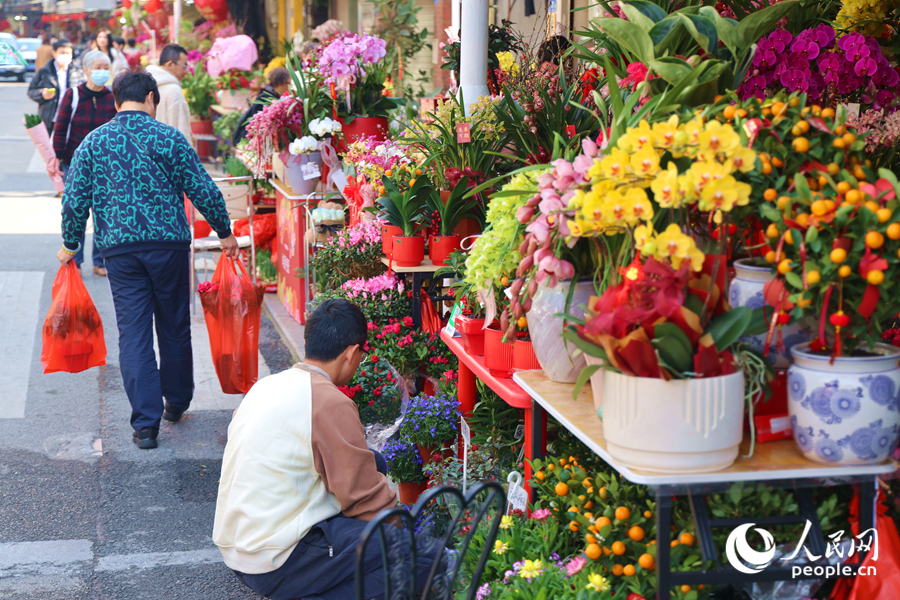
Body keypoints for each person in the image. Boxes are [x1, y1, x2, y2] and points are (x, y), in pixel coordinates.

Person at [213, 299, 442, 600]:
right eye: (361, 355)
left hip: (238, 547)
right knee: (425, 561)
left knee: (373, 462)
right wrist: (402, 537)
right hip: (277, 558)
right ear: (351, 354)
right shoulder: (328, 401)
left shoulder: (266, 386)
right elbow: (365, 500)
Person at [57, 71, 238, 449]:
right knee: (173, 325)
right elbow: (202, 188)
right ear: (152, 98)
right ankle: (176, 402)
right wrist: (225, 233)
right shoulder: (169, 137)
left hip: (119, 251)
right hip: (168, 246)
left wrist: (70, 244)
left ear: (116, 100)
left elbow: (75, 201)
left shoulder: (94, 143)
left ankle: (145, 425)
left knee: (134, 332)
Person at [52, 50, 117, 276]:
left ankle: (100, 261)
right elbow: (60, 127)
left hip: (105, 166)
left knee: (103, 213)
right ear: (87, 70)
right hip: (75, 162)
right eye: (97, 67)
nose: (101, 72)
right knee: (76, 209)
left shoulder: (112, 97)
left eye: (105, 67)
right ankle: (75, 259)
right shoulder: (74, 95)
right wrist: (57, 158)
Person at [232, 67, 290, 146]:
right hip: (251, 143)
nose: (289, 86)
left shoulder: (266, 94)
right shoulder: (268, 99)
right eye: (288, 83)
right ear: (280, 84)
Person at [146, 43, 192, 140]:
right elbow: (181, 127)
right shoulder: (173, 90)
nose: (185, 71)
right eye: (184, 66)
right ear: (170, 64)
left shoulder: (144, 83)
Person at [27, 40, 74, 132]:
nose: (65, 56)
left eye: (68, 53)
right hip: (50, 118)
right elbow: (31, 91)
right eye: (62, 53)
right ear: (54, 53)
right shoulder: (45, 72)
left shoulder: (77, 72)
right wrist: (41, 94)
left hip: (71, 119)